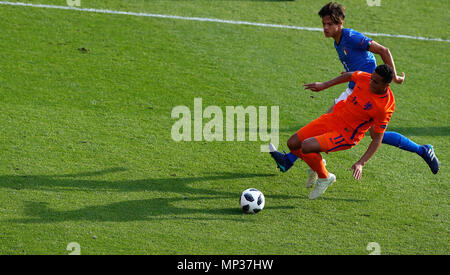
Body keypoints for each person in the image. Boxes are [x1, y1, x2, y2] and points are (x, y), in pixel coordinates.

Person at [295, 2, 439, 175]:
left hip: (367, 89)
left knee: (354, 128)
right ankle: (422, 150)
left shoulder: (351, 36)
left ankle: (298, 160)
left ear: (340, 22)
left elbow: (383, 50)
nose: (325, 28)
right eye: (323, 24)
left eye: (329, 24)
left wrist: (394, 77)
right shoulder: (338, 41)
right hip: (356, 87)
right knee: (358, 129)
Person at [269, 65, 395, 199]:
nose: (370, 82)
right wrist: (324, 85)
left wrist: (361, 163)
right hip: (332, 119)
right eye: (372, 78)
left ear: (386, 85)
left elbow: (377, 139)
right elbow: (349, 75)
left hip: (346, 134)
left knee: (306, 146)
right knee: (293, 143)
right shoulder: (366, 77)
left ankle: (324, 177)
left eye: (375, 81)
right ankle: (317, 165)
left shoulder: (384, 108)